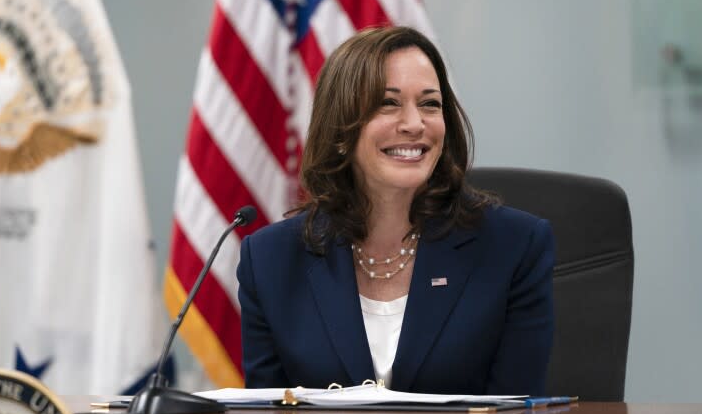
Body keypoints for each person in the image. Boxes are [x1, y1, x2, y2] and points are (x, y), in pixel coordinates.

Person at [237, 26, 554, 395]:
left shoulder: (513, 247)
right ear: (341, 130)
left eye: (429, 104)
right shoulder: (271, 260)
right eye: (388, 103)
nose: (414, 124)